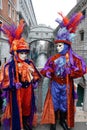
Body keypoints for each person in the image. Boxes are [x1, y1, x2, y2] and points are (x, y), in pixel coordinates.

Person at [40, 12, 86, 130]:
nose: (58, 48)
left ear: (66, 46)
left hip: (66, 85)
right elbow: (44, 69)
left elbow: (82, 69)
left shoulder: (73, 58)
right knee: (54, 104)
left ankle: (62, 120)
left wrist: (71, 72)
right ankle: (53, 122)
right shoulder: (53, 58)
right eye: (58, 46)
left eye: (60, 46)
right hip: (55, 84)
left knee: (64, 104)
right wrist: (49, 71)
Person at [0, 20, 41, 130]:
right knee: (18, 108)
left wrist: (34, 81)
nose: (23, 55)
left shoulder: (29, 63)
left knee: (27, 107)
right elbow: (4, 82)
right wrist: (13, 85)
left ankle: (26, 122)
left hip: (28, 90)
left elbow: (36, 75)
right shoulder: (9, 66)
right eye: (21, 53)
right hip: (17, 91)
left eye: (25, 53)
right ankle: (19, 125)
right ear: (16, 53)